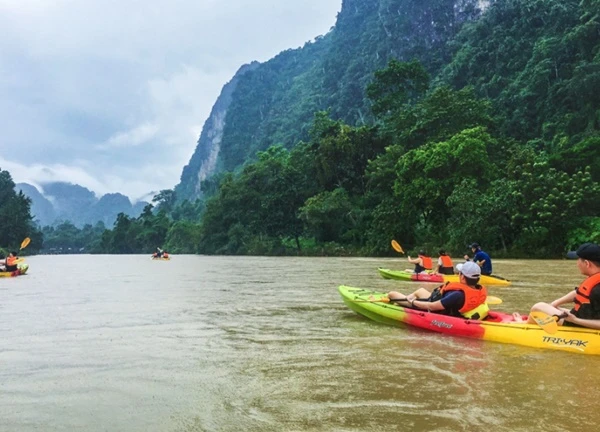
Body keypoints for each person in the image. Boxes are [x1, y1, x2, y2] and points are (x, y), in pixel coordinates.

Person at [514, 243, 600, 329]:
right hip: (581, 317)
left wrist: (575, 320)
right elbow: (578, 293)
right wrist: (555, 303)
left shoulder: (597, 291)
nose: (576, 263)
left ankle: (524, 325)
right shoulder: (595, 280)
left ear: (587, 263)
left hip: (580, 324)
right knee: (552, 308)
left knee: (538, 307)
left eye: (578, 259)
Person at [387, 261, 489, 320]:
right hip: (438, 300)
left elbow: (431, 306)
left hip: (433, 307)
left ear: (462, 277)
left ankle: (406, 301)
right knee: (420, 290)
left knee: (391, 294)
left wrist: (413, 302)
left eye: (460, 273)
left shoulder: (457, 295)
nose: (458, 274)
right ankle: (408, 298)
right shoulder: (478, 289)